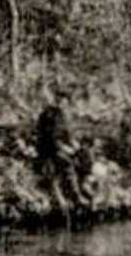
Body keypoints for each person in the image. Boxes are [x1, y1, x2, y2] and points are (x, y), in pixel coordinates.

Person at [34, 89, 90, 218]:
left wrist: (74, 145)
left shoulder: (60, 115)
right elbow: (53, 138)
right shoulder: (53, 115)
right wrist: (67, 148)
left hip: (52, 148)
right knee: (65, 164)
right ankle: (74, 196)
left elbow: (66, 135)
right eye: (60, 100)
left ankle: (74, 195)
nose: (63, 104)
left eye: (64, 101)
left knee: (79, 160)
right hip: (49, 149)